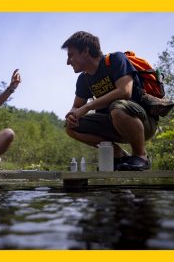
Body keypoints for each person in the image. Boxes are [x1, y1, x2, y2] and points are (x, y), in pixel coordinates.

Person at [61, 31, 158, 171]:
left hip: (143, 123)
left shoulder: (115, 60)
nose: (68, 62)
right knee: (70, 127)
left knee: (117, 108)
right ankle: (119, 156)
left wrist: (88, 107)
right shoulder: (83, 79)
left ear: (86, 51)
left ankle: (141, 156)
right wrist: (72, 115)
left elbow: (125, 91)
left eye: (71, 55)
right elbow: (76, 107)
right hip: (113, 124)